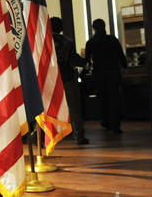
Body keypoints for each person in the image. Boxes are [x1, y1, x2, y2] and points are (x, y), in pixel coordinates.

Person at [50, 17, 89, 145]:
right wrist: (85, 63)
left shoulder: (44, 41)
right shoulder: (68, 41)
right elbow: (73, 60)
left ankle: (51, 137)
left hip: (50, 80)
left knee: (49, 108)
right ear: (61, 28)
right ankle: (79, 136)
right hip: (67, 78)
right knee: (74, 107)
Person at [85, 18, 127, 134]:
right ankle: (116, 126)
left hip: (99, 73)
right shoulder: (113, 39)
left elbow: (87, 61)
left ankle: (106, 122)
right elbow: (121, 56)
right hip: (113, 72)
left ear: (93, 28)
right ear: (105, 26)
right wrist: (125, 66)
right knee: (114, 98)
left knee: (102, 98)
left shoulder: (90, 43)